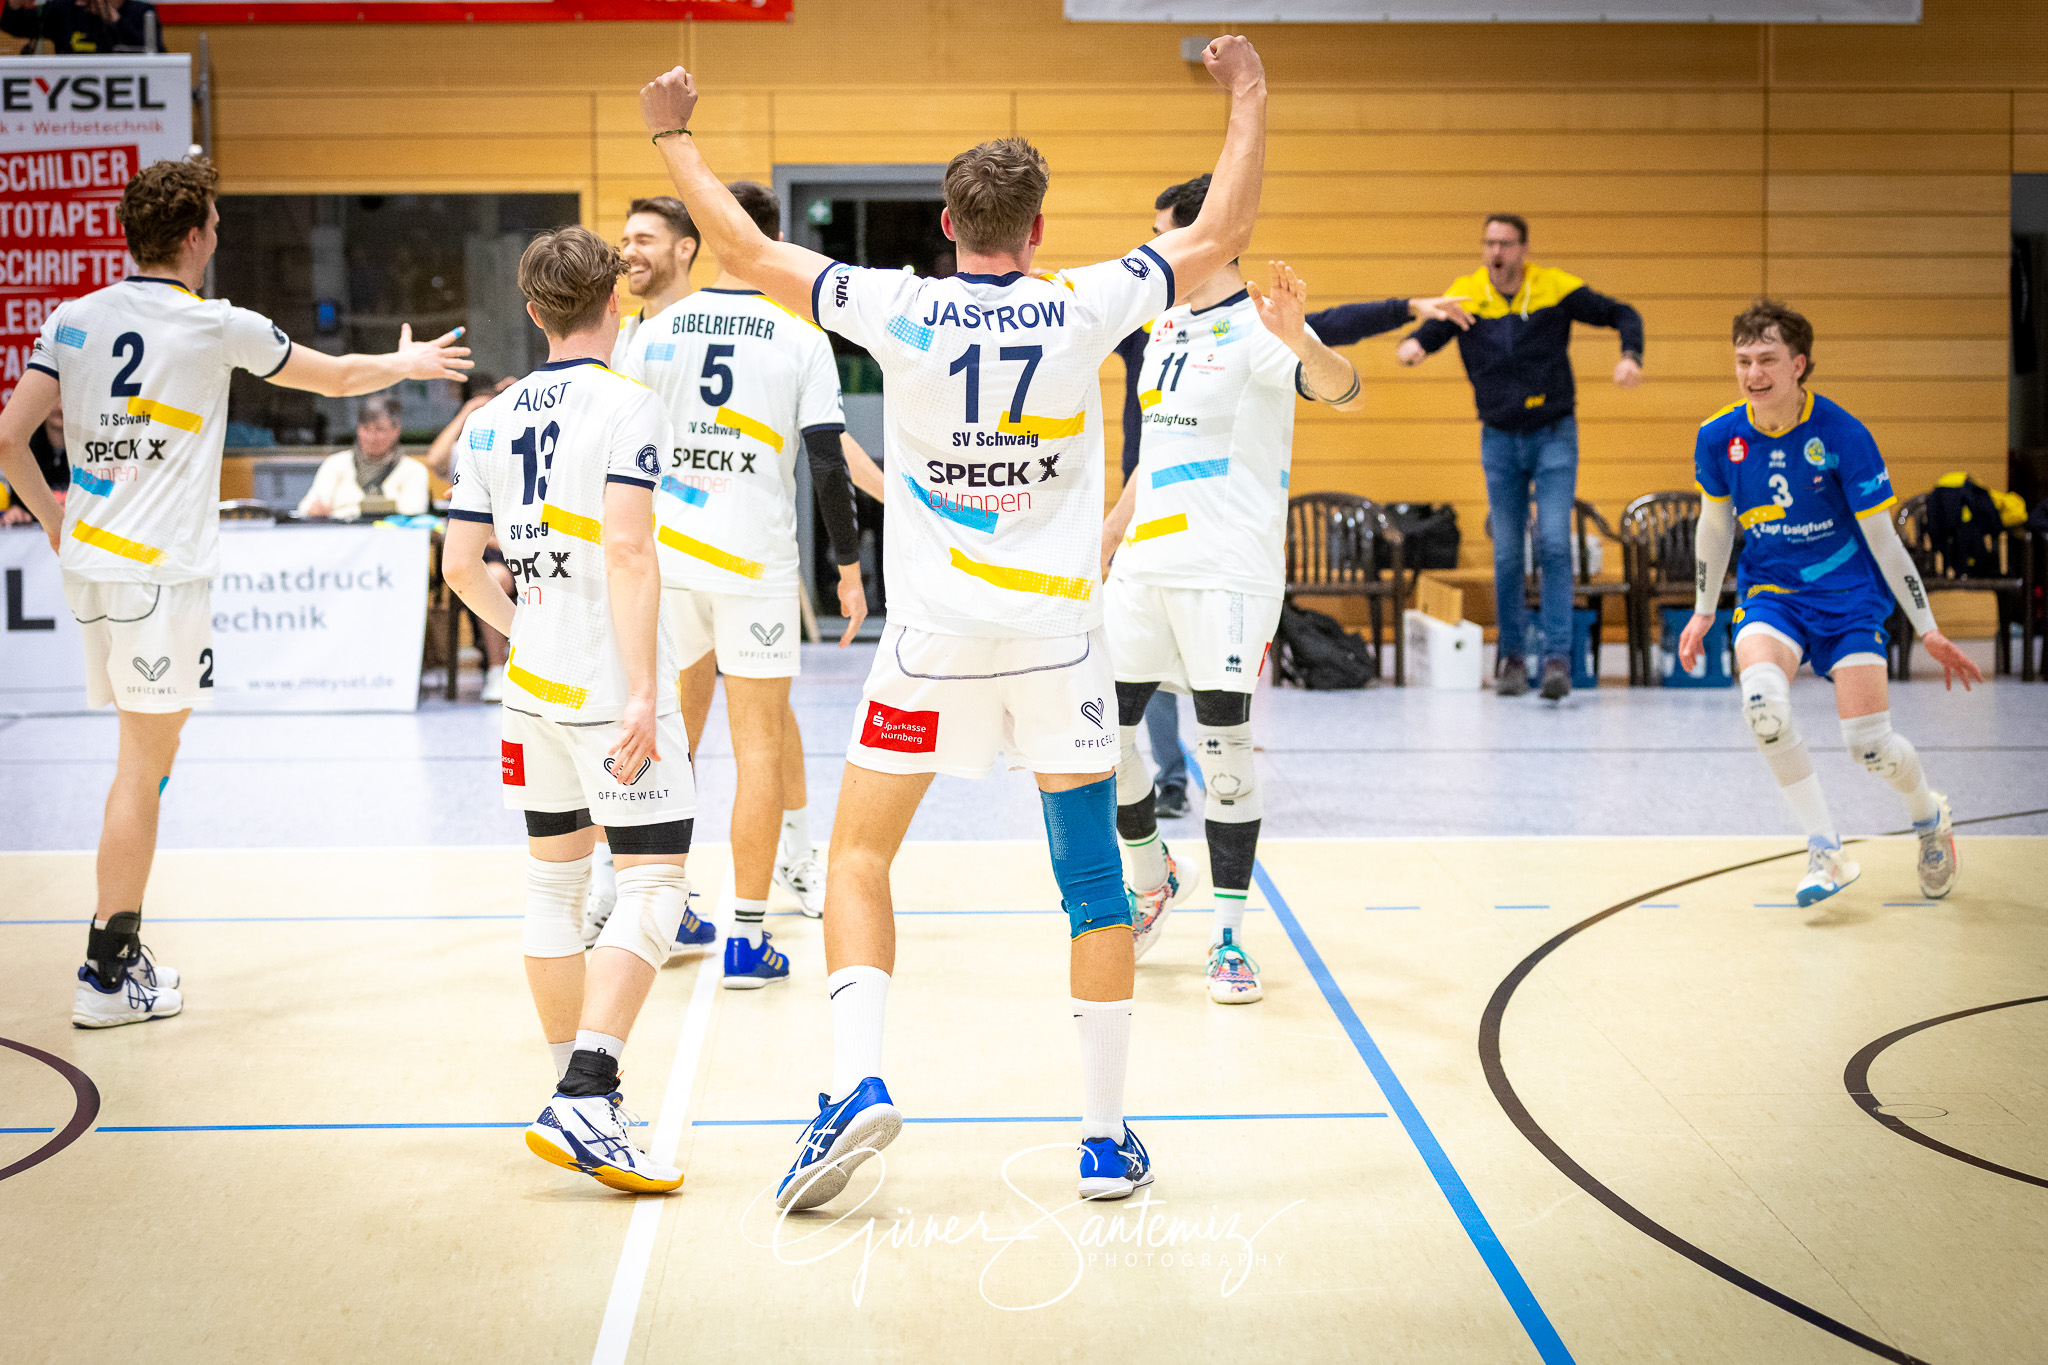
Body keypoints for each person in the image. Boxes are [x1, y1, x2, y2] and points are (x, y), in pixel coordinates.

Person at [640, 31, 1267, 1208]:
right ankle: (1098, 1141)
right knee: (1089, 883)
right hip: (1055, 643)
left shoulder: (899, 308)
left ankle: (858, 1082)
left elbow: (738, 247)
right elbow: (1217, 235)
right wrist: (1246, 95)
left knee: (860, 856)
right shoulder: (1086, 302)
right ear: (1036, 229)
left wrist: (673, 131)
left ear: (945, 222)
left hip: (932, 637)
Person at [0, 156, 468, 1028]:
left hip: (95, 572)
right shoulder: (215, 324)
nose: (218, 234)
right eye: (214, 222)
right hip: (158, 576)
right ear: (191, 235)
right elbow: (332, 378)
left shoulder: (72, 318)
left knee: (149, 760)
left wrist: (59, 526)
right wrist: (405, 361)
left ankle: (119, 952)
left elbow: (9, 438)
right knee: (144, 770)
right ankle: (107, 969)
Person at [440, 226, 696, 1194]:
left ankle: (571, 1096)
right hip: (608, 688)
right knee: (654, 880)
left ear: (533, 309)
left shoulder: (494, 418)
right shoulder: (630, 403)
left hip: (531, 686)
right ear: (615, 302)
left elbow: (461, 566)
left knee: (554, 887)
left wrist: (528, 626)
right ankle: (589, 1092)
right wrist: (639, 689)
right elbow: (629, 551)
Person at [1100, 175, 1362, 1007]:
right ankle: (1152, 877)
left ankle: (1229, 937)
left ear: (1210, 238)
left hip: (1227, 570)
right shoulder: (1164, 324)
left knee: (1223, 751)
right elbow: (1160, 449)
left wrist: (1303, 341)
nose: (1156, 249)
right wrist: (1110, 531)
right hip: (1146, 564)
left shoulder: (1261, 327)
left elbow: (1343, 388)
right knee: (1100, 735)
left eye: (1167, 234)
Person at [611, 189, 867, 985]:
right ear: (774, 239)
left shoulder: (649, 333)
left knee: (670, 734)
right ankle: (748, 939)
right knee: (757, 748)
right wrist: (849, 569)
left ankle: (661, 900)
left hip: (667, 561)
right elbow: (827, 461)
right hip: (753, 567)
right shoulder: (800, 334)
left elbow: (617, 450)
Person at [1679, 300, 1978, 907]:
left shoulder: (1843, 435)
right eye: (1742, 361)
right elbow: (1714, 528)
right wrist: (1703, 609)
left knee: (1869, 745)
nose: (1752, 373)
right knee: (1762, 705)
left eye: (1766, 360)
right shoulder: (1719, 437)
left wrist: (1928, 629)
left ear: (1798, 365)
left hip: (1848, 600)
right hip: (1772, 596)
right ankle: (1826, 849)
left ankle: (1930, 818)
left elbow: (1885, 542)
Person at [1397, 213, 1644, 700]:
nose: (1497, 254)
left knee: (1554, 544)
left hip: (1554, 434)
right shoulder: (1468, 295)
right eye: (1489, 244)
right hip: (1499, 438)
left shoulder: (1554, 288)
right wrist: (1414, 346)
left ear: (1523, 250)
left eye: (1506, 244)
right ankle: (1510, 658)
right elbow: (1433, 331)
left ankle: (1556, 659)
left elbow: (1622, 313)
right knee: (1508, 552)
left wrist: (1630, 355)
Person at [426, 373, 516, 701]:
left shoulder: (520, 437)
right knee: (494, 578)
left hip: (529, 540)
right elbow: (435, 461)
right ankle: (497, 669)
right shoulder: (473, 442)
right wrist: (467, 413)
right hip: (489, 548)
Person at [296, 393, 430, 521]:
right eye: (366, 429)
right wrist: (314, 510)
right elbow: (306, 507)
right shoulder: (335, 464)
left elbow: (413, 513)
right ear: (358, 429)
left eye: (379, 429)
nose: (372, 437)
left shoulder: (414, 470)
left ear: (396, 430)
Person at [2, 0, 163, 54]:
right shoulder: (64, 9)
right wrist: (14, 4)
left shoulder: (141, 12)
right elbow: (13, 25)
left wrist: (114, 18)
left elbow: (160, 56)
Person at [0, 397, 68, 527]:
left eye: (65, 399)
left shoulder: (92, 449)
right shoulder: (23, 448)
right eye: (55, 399)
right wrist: (16, 511)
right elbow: (18, 503)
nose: (60, 407)